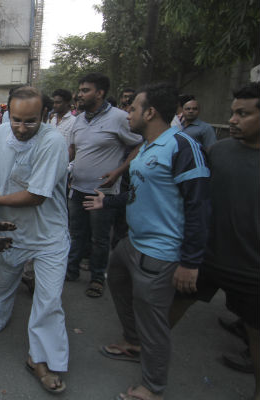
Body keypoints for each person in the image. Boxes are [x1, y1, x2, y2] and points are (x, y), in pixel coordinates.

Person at [84, 83, 210, 400]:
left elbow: (199, 208)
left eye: (133, 108)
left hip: (161, 254)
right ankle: (133, 342)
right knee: (117, 279)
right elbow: (141, 191)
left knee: (153, 322)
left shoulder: (182, 147)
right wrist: (108, 203)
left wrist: (190, 263)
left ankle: (153, 388)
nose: (128, 113)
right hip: (133, 243)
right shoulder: (149, 145)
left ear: (150, 112)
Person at [0, 86, 70, 394]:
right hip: (11, 227)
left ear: (44, 115)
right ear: (7, 114)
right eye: (16, 119)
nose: (21, 128)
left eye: (30, 121)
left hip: (49, 234)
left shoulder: (54, 142)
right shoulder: (1, 133)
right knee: (2, 280)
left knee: (49, 299)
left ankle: (39, 358)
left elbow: (37, 195)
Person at [169, 82, 260, 400]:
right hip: (205, 258)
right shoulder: (218, 152)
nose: (233, 120)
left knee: (255, 331)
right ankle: (144, 349)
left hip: (252, 270)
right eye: (233, 113)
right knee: (172, 308)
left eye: (243, 114)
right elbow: (196, 202)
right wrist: (188, 255)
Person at [66, 73, 143, 298]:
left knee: (99, 238)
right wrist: (67, 168)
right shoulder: (78, 119)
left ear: (100, 93)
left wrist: (120, 171)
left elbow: (139, 145)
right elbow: (73, 149)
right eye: (79, 90)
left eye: (85, 90)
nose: (80, 94)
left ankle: (98, 278)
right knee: (76, 233)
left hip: (103, 192)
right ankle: (71, 271)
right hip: (77, 188)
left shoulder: (119, 118)